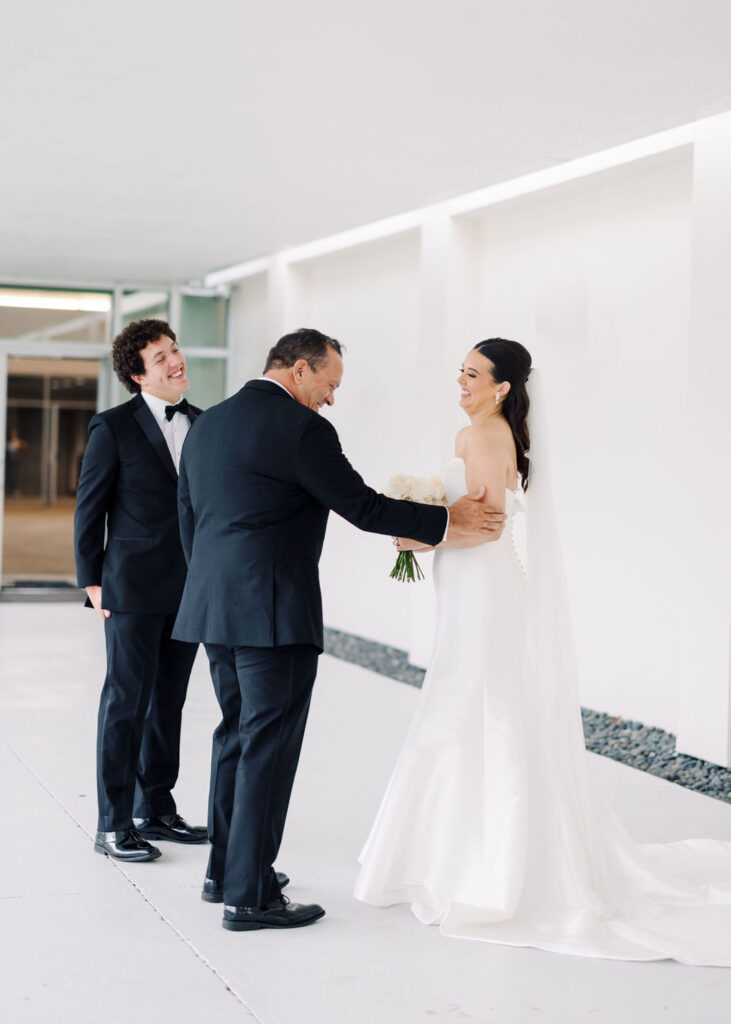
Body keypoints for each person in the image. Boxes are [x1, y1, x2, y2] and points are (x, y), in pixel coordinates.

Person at [355, 337, 731, 966]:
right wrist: (431, 526)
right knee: (473, 703)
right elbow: (474, 517)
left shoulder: (478, 436)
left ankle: (481, 866)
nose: (462, 381)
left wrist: (420, 539)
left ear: (503, 387)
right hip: (477, 584)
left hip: (481, 585)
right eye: (461, 372)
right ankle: (465, 853)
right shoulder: (484, 432)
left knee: (469, 704)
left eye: (473, 374)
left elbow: (488, 524)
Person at [173, 328, 506, 931]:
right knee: (266, 751)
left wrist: (210, 590)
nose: (331, 400)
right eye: (329, 385)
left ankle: (226, 870)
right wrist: (444, 518)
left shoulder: (208, 425)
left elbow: (189, 521)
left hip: (212, 609)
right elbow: (363, 507)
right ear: (299, 370)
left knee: (236, 738)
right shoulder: (302, 430)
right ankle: (249, 899)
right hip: (274, 614)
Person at [74, 318, 207, 862]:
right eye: (160, 357)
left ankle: (156, 808)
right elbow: (90, 509)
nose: (175, 360)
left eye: (174, 348)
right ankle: (112, 822)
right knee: (126, 701)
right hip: (129, 588)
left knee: (169, 703)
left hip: (190, 588)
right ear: (138, 374)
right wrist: (92, 582)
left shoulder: (203, 423)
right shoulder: (112, 427)